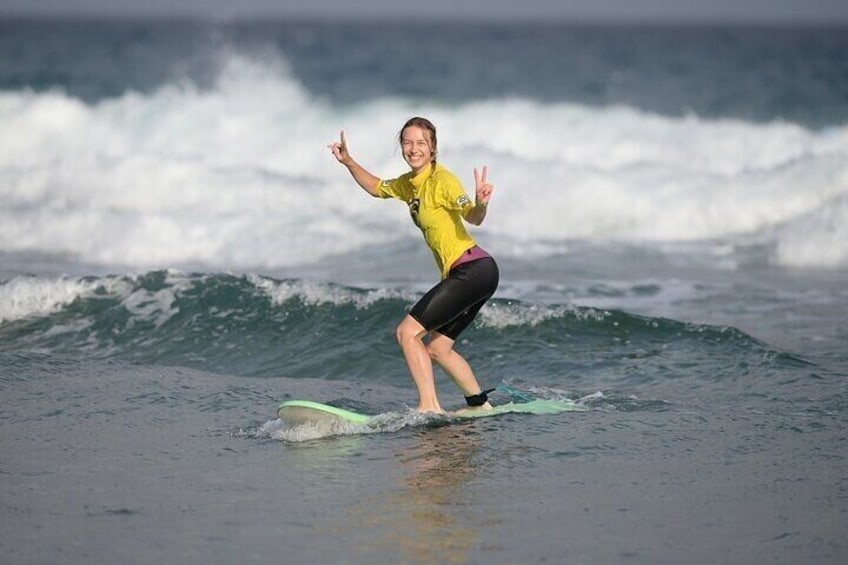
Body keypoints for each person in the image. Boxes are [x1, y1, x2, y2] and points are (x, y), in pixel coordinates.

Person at [328, 116, 499, 414]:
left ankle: (429, 406)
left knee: (407, 333)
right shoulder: (410, 184)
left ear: (433, 148)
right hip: (476, 272)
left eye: (421, 143)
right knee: (437, 348)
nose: (413, 148)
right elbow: (378, 188)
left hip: (473, 270)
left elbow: (473, 217)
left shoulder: (442, 180)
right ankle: (480, 404)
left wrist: (481, 202)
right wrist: (349, 162)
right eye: (408, 142)